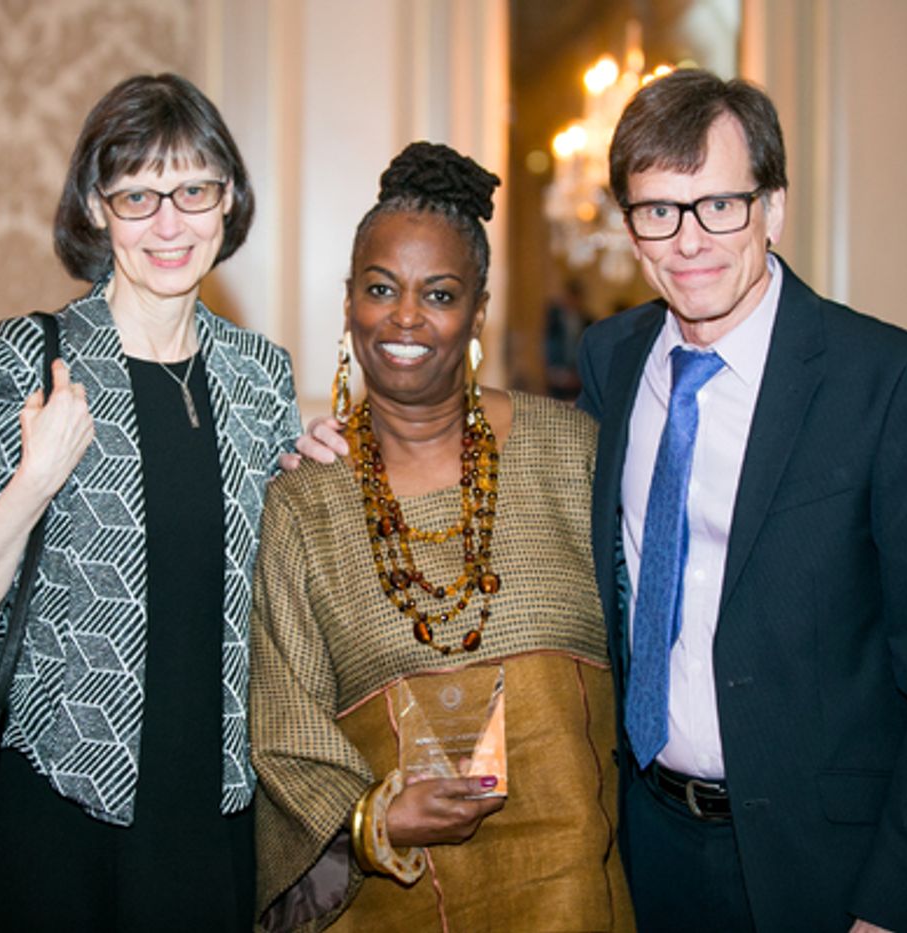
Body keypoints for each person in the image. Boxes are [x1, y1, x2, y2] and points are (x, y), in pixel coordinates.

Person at [576, 68, 907, 932]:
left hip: (836, 871)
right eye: (658, 210)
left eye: (720, 205)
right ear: (630, 229)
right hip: (649, 850)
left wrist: (896, 904)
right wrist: (350, 444)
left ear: (773, 208)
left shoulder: (896, 387)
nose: (689, 239)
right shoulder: (612, 360)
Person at [0, 73, 301, 931]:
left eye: (194, 189)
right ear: (94, 206)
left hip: (215, 798)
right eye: (137, 195)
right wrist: (32, 482)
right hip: (51, 808)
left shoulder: (261, 377)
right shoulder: (21, 361)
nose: (169, 222)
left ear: (228, 201)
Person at [250, 142, 631, 931]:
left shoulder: (572, 451)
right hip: (397, 903)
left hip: (573, 892)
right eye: (381, 288)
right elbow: (282, 725)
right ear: (348, 299)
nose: (406, 318)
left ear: (478, 311)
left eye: (441, 292)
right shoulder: (306, 502)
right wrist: (372, 821)